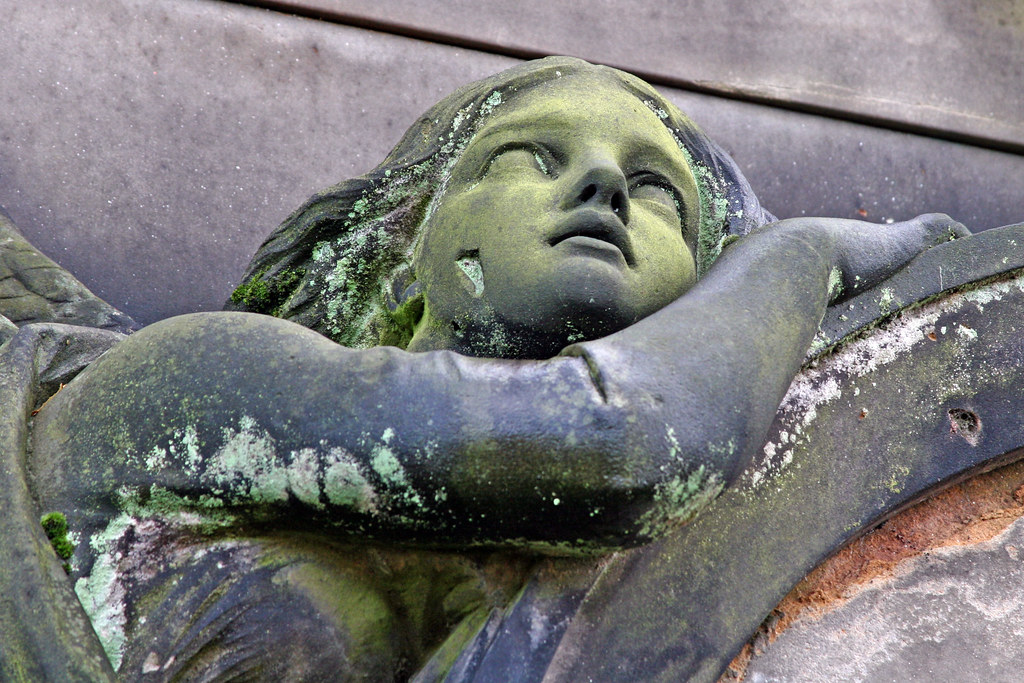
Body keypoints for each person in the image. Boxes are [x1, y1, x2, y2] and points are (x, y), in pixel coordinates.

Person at [16, 57, 963, 681]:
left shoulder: (540, 595)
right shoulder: (194, 383)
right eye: (530, 157)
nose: (601, 186)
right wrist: (796, 261)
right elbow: (615, 443)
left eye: (657, 192)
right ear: (403, 256)